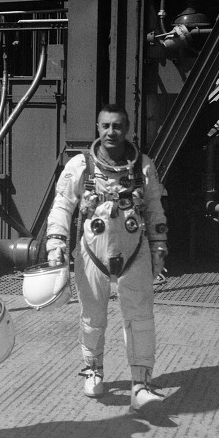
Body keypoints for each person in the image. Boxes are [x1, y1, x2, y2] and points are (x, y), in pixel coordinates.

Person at [45, 104, 168, 411]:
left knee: (140, 319)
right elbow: (62, 206)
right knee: (92, 318)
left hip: (133, 250)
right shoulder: (81, 165)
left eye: (117, 126)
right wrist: (56, 243)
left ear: (128, 129)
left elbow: (154, 208)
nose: (111, 132)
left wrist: (159, 247)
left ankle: (141, 383)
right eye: (105, 126)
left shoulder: (142, 166)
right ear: (97, 129)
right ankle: (93, 369)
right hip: (92, 252)